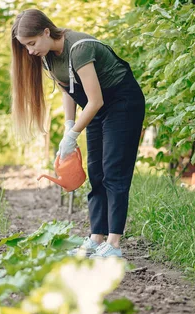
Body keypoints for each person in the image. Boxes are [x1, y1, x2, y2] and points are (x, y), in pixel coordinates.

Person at [11, 9, 145, 258]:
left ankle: (113, 245)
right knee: (96, 171)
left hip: (121, 103)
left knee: (113, 170)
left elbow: (95, 100)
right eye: (25, 46)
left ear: (46, 32)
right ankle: (97, 238)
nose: (29, 51)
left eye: (31, 43)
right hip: (96, 108)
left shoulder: (79, 48)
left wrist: (74, 134)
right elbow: (68, 90)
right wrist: (68, 126)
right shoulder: (48, 57)